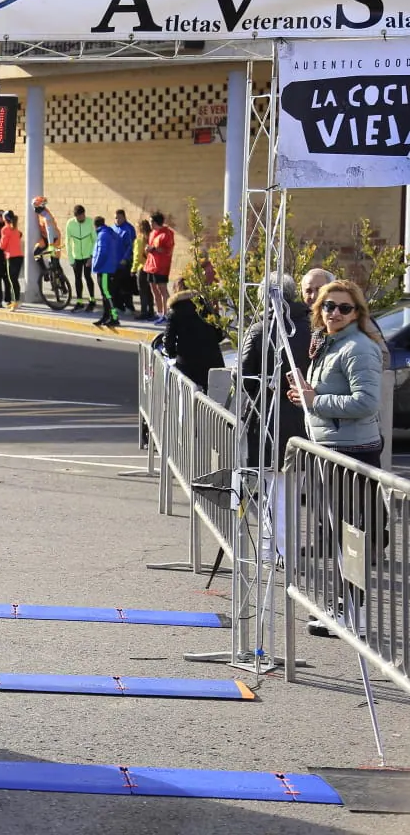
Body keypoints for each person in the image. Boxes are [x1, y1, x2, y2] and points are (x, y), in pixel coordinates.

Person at [287, 280, 387, 637]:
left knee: (351, 537)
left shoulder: (358, 348)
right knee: (343, 535)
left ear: (357, 313)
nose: (334, 313)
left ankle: (354, 614)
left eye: (344, 308)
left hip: (351, 453)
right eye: (329, 306)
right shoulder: (328, 344)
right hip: (330, 447)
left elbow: (366, 402)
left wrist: (315, 400)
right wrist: (305, 393)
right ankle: (346, 606)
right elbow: (326, 394)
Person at [239, 273, 311, 468]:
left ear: (264, 297)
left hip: (266, 412)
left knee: (271, 478)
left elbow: (244, 379)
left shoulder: (258, 330)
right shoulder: (312, 328)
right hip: (307, 413)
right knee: (301, 480)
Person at [162, 290, 225, 388]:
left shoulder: (175, 310)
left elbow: (168, 340)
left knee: (188, 396)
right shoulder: (206, 307)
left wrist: (173, 353)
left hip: (187, 363)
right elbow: (220, 333)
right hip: (212, 360)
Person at [142, 213, 174, 324]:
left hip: (161, 267)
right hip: (150, 266)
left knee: (163, 290)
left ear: (155, 222)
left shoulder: (167, 234)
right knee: (154, 290)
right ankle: (159, 313)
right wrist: (148, 249)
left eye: (151, 222)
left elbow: (167, 250)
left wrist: (153, 249)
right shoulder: (152, 233)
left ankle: (168, 314)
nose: (150, 224)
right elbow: (151, 247)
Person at [90, 216, 121, 328]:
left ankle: (114, 317)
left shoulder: (103, 235)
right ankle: (106, 316)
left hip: (104, 269)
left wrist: (96, 266)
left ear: (95, 225)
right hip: (108, 268)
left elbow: (102, 253)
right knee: (105, 294)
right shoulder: (109, 233)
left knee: (107, 294)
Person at [64, 204, 95, 312]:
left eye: (82, 216)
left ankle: (92, 300)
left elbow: (95, 240)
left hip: (87, 256)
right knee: (77, 278)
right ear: (75, 216)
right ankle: (79, 301)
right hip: (76, 256)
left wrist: (91, 256)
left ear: (84, 214)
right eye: (78, 217)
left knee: (87, 277)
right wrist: (71, 259)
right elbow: (67, 242)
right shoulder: (70, 223)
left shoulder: (90, 222)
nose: (81, 218)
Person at [110, 210, 136, 315]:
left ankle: (129, 306)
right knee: (115, 286)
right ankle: (118, 306)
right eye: (116, 217)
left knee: (126, 286)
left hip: (124, 263)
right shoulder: (112, 228)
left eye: (119, 217)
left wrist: (125, 258)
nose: (117, 219)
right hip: (114, 263)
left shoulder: (128, 229)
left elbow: (131, 246)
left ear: (124, 217)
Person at [131, 219, 156, 321]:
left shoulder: (139, 240)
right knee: (150, 291)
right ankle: (151, 311)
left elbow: (137, 257)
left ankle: (143, 312)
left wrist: (133, 269)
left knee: (143, 292)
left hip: (142, 268)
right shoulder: (151, 238)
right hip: (151, 267)